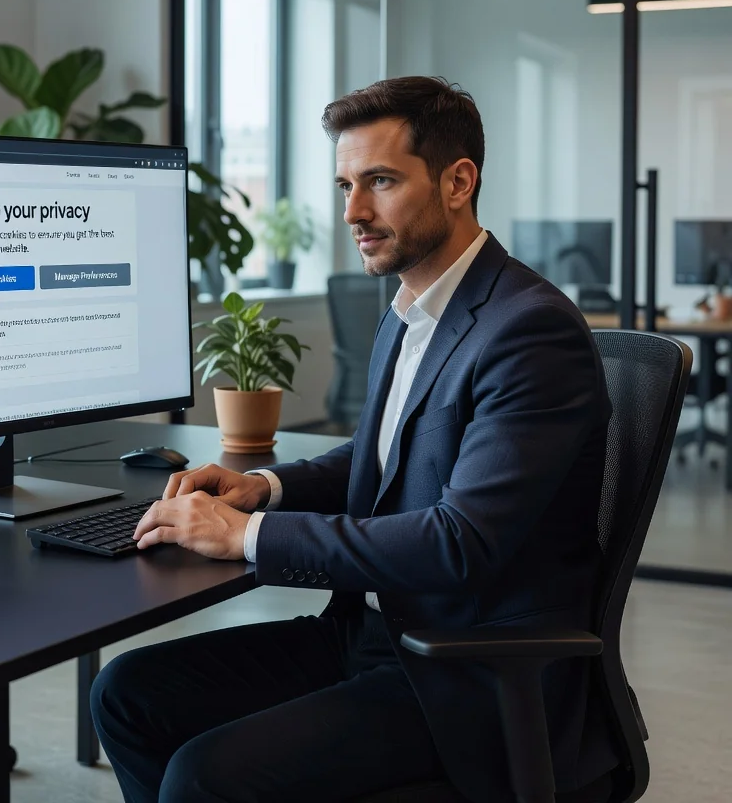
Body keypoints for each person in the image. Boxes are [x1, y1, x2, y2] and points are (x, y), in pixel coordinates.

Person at [91, 76, 617, 803]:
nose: (353, 212)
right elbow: (383, 460)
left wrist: (247, 536)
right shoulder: (410, 310)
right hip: (369, 633)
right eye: (345, 184)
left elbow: (457, 543)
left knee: (205, 777)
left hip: (463, 670)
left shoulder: (529, 329)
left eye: (380, 181)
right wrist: (264, 488)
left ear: (458, 181)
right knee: (128, 693)